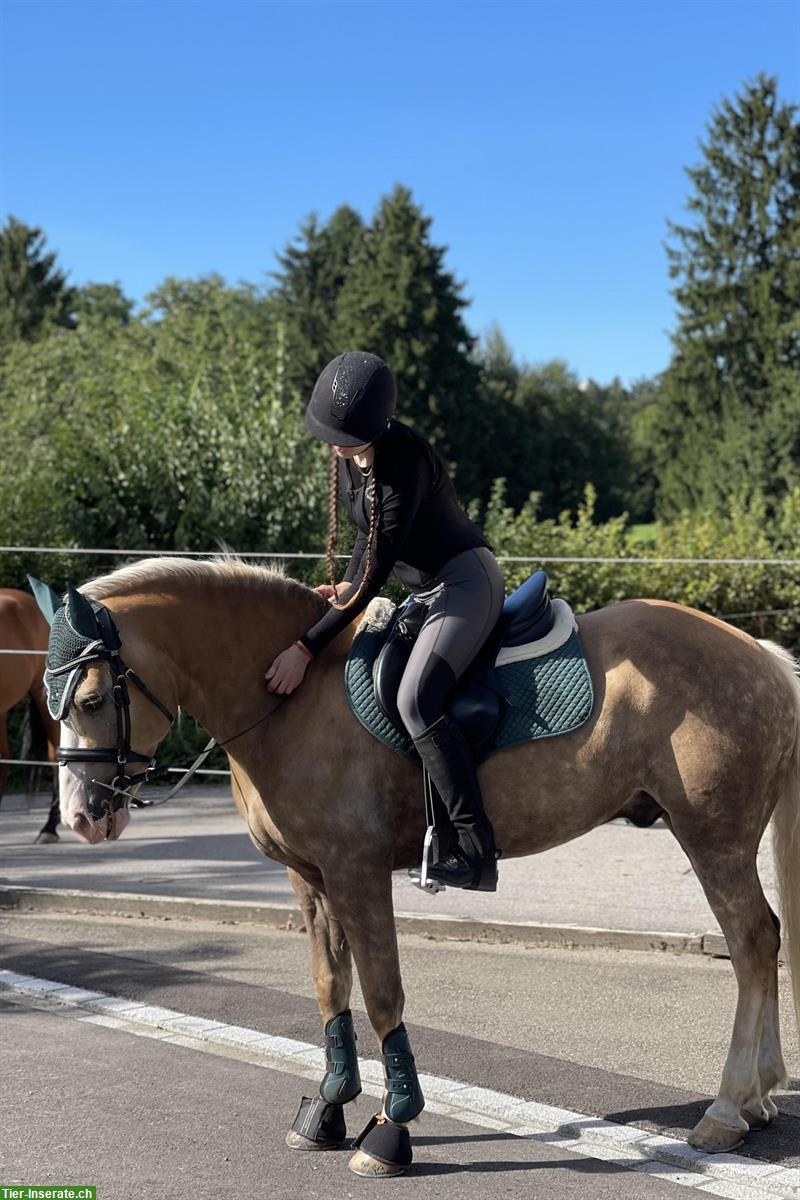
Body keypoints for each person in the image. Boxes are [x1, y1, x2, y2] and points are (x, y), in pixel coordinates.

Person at [265, 351, 505, 890]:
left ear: (377, 425)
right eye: (332, 437)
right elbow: (364, 539)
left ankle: (474, 845)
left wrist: (305, 648)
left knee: (417, 699)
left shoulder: (405, 460)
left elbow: (379, 565)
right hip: (424, 591)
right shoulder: (355, 453)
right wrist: (346, 585)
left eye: (346, 438)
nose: (336, 448)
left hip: (466, 583)